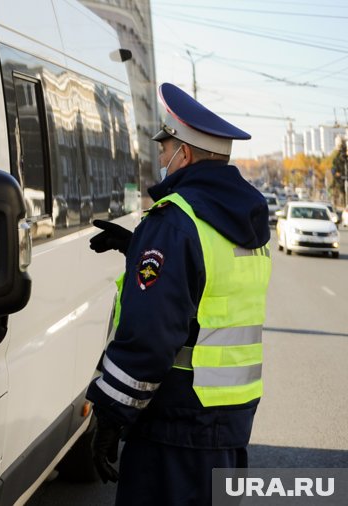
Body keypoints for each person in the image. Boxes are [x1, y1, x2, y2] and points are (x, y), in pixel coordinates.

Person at [86, 83, 272, 505]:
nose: (161, 156)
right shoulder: (245, 217)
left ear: (183, 153)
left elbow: (151, 335)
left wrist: (111, 414)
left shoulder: (176, 220)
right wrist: (138, 247)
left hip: (176, 427)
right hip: (229, 420)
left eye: (165, 146)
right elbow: (209, 286)